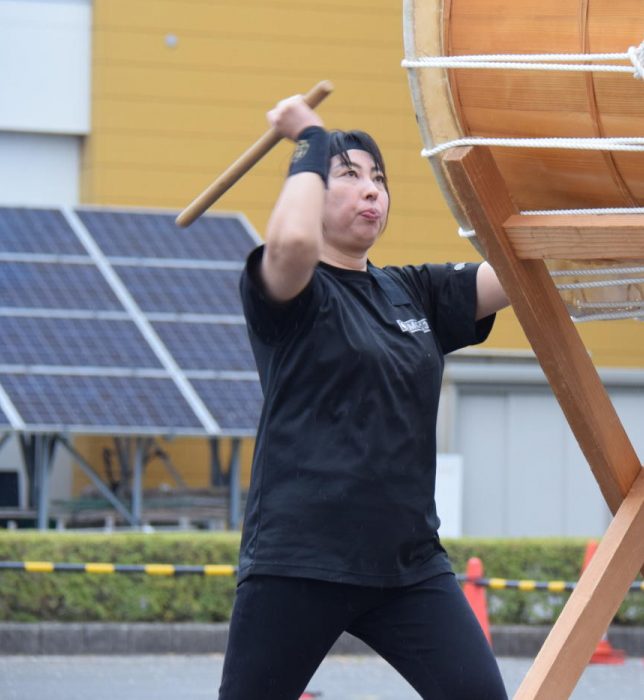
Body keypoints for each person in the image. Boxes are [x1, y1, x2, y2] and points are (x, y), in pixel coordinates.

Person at [217, 95, 511, 700]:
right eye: (347, 175)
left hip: (409, 564)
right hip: (299, 561)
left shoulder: (412, 292)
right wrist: (310, 139)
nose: (371, 189)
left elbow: (516, 273)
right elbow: (291, 244)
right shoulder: (290, 293)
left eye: (378, 177)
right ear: (310, 190)